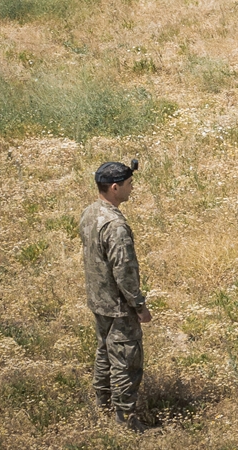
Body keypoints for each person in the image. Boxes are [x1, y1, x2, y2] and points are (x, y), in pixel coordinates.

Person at [79, 159, 153, 432]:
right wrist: (139, 305)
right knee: (126, 362)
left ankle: (103, 405)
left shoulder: (90, 213)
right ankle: (125, 420)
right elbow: (125, 271)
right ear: (114, 188)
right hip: (119, 305)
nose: (131, 189)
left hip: (98, 300)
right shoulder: (115, 226)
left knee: (104, 354)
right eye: (129, 184)